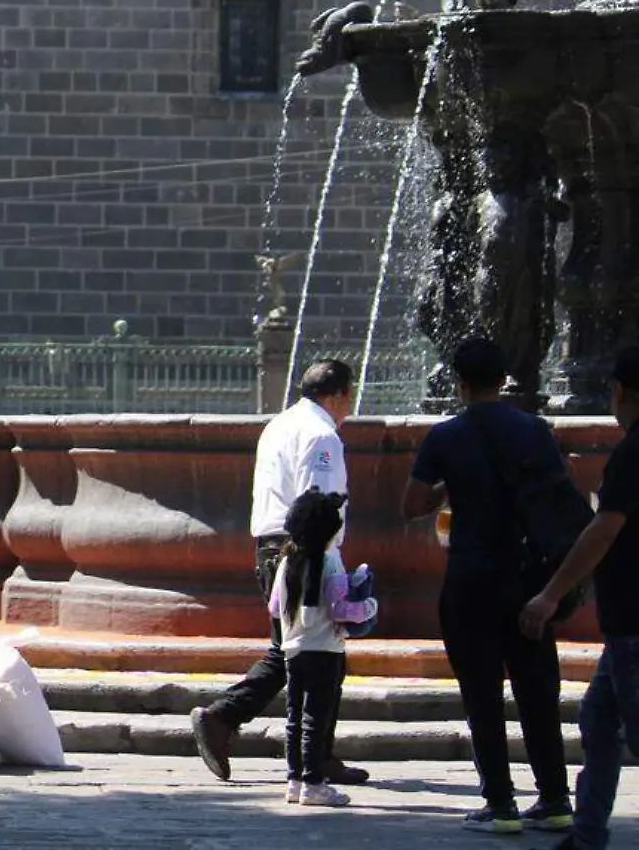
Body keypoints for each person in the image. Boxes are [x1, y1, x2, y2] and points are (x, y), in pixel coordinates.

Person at [403, 337, 571, 834]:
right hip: (526, 577)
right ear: (504, 379)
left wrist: (448, 487)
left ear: (459, 382)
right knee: (537, 689)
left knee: (482, 692)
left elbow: (411, 505)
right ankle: (556, 799)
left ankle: (500, 805)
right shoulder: (535, 431)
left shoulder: (446, 437)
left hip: (472, 578)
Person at [192, 359, 367, 786]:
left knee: (305, 652)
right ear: (338, 394)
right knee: (306, 653)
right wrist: (320, 563)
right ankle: (224, 716)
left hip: (272, 547)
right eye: (351, 394)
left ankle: (318, 753)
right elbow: (318, 502)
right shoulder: (322, 434)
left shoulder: (279, 424)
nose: (351, 404)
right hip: (304, 549)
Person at [520, 346, 639, 850]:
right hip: (624, 622)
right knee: (598, 718)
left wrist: (550, 594)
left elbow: (603, 530)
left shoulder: (633, 452)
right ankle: (588, 834)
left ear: (622, 391)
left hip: (635, 618)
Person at [271, 489, 377, 808]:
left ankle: (295, 780)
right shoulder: (330, 562)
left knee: (295, 718)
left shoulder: (286, 560)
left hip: (293, 649)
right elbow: (340, 609)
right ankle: (314, 783)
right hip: (325, 651)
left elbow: (275, 608)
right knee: (317, 717)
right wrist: (369, 606)